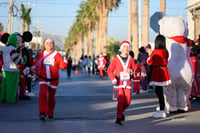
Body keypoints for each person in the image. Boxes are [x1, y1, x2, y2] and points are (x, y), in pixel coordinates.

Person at [31, 39, 68, 121]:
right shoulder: (41, 54)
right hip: (43, 78)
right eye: (47, 43)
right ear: (44, 45)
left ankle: (50, 113)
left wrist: (65, 60)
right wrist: (33, 68)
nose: (49, 44)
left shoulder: (57, 55)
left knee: (51, 97)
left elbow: (62, 67)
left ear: (53, 45)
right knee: (42, 95)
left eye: (51, 43)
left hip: (54, 79)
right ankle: (42, 113)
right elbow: (35, 64)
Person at [107, 40, 135, 125]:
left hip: (128, 83)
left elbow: (135, 71)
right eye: (125, 47)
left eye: (127, 47)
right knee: (121, 100)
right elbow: (109, 70)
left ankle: (120, 112)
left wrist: (131, 71)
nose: (126, 48)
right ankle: (118, 118)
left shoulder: (131, 59)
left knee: (128, 102)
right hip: (119, 83)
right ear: (121, 49)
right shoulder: (116, 59)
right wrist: (113, 79)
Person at [146, 34, 171, 118]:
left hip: (158, 72)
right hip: (165, 71)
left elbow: (149, 62)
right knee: (164, 91)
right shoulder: (166, 51)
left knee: (158, 91)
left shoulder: (155, 52)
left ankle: (162, 109)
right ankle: (164, 107)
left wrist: (150, 54)